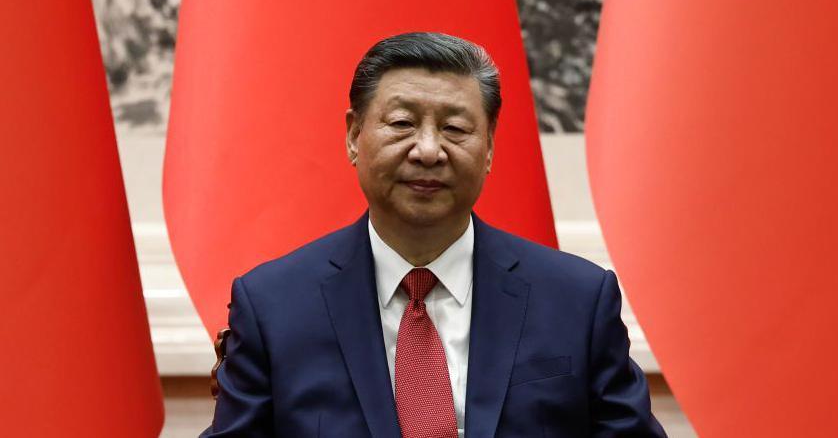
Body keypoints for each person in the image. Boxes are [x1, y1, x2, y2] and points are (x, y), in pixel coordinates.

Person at [201, 32, 666, 437]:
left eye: (455, 128)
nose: (428, 150)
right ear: (353, 135)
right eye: (402, 123)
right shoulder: (273, 306)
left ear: (489, 149)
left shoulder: (577, 301)